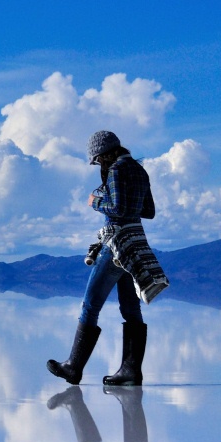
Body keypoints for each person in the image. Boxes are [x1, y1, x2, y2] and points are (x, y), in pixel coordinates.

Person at [48, 130, 166, 386]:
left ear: (104, 154)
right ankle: (131, 371)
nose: (98, 164)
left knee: (90, 305)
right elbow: (149, 211)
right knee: (130, 308)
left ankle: (73, 367)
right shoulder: (139, 170)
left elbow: (119, 209)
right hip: (135, 245)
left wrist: (95, 202)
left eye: (97, 159)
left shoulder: (116, 170)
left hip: (116, 245)